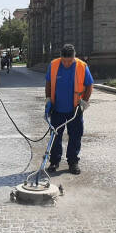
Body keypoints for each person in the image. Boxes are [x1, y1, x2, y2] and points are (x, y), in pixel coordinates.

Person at [44, 44, 94, 175]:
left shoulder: (82, 66)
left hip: (75, 109)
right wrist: (48, 99)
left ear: (74, 57)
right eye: (64, 61)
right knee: (55, 136)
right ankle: (54, 161)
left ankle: (73, 162)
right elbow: (48, 83)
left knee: (75, 136)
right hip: (57, 109)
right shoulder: (54, 65)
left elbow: (89, 85)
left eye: (69, 61)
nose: (66, 64)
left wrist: (84, 102)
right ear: (60, 57)